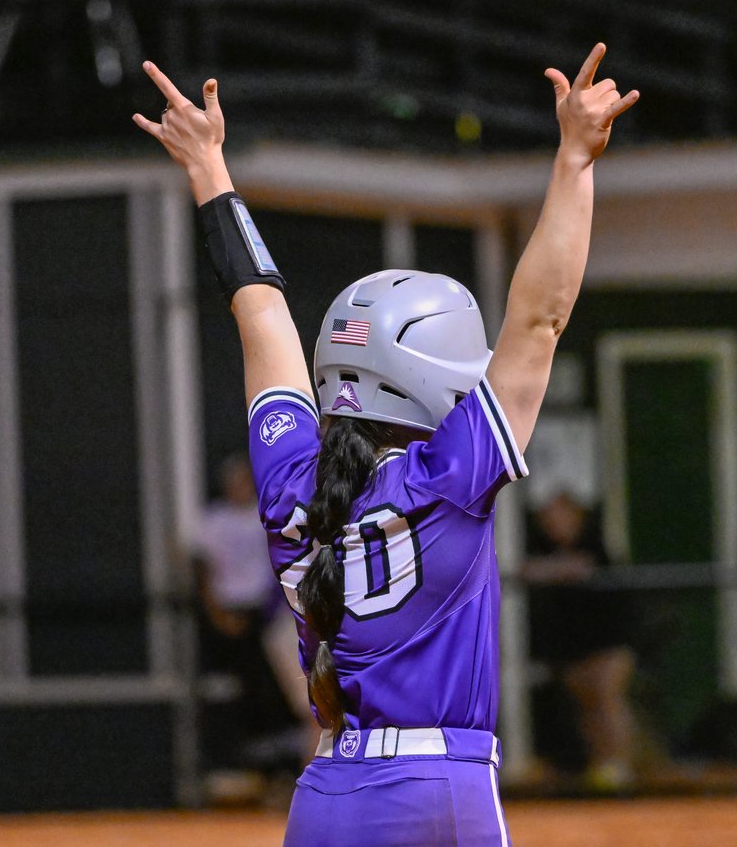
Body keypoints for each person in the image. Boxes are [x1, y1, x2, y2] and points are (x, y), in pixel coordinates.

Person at [134, 45, 637, 844]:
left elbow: (258, 310)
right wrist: (574, 160)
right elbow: (540, 319)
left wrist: (208, 168)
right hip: (438, 788)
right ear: (431, 378)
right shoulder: (447, 478)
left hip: (325, 795)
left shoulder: (290, 477)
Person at [192, 454, 315, 788]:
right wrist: (217, 613)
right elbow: (199, 566)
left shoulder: (269, 515)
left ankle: (287, 776)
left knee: (287, 703)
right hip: (238, 613)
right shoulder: (216, 520)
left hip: (273, 613)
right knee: (238, 695)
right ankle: (246, 771)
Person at [523, 492, 637, 792]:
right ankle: (601, 764)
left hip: (609, 641)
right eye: (547, 519)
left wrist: (550, 570)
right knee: (586, 705)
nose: (553, 524)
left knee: (606, 699)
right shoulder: (543, 546)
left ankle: (619, 765)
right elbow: (528, 571)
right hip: (574, 645)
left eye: (560, 517)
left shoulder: (594, 542)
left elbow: (577, 567)